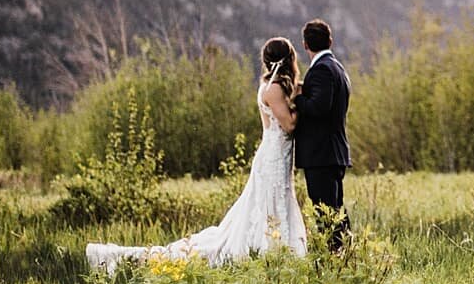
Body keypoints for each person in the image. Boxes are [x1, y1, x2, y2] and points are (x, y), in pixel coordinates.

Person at [85, 37, 308, 271]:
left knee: (277, 198)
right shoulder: (272, 89)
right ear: (289, 59)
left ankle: (279, 249)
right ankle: (269, 250)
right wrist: (303, 102)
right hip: (272, 156)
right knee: (268, 201)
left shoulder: (274, 86)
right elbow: (290, 125)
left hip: (278, 155)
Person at [292, 18, 351, 250]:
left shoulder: (322, 70)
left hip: (321, 154)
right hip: (332, 153)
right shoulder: (337, 68)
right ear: (330, 41)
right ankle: (346, 256)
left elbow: (318, 107)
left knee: (326, 214)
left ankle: (335, 259)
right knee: (335, 211)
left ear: (305, 44)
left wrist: (298, 96)